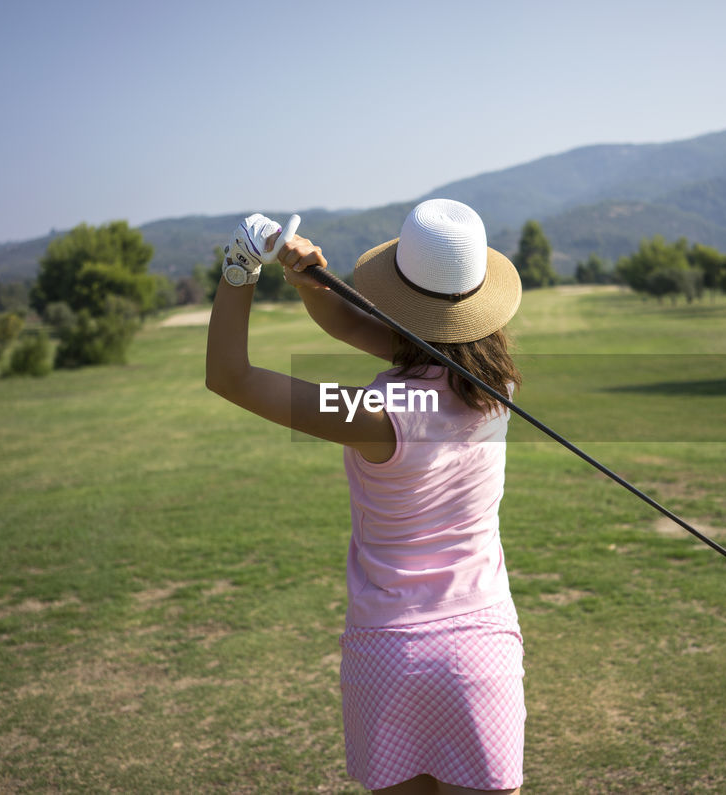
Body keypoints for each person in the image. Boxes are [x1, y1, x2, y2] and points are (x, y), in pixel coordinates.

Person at [205, 199, 526, 795]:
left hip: (389, 653)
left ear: (398, 292)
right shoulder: (497, 386)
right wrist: (308, 284)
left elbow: (232, 377)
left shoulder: (370, 413)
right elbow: (368, 331)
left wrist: (241, 265)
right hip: (482, 653)